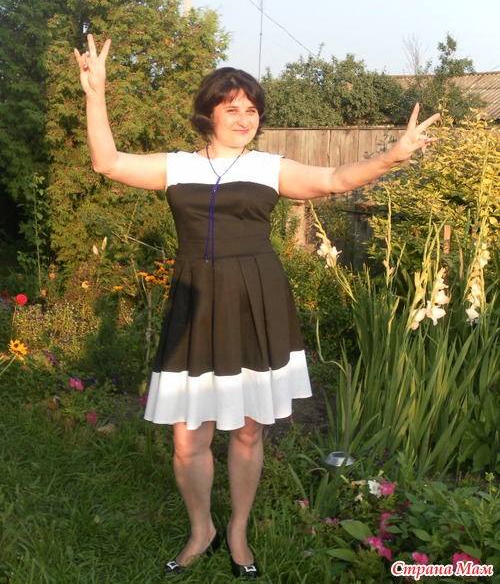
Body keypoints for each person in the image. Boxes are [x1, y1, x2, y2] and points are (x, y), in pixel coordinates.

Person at [74, 35, 439, 579]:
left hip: (254, 300)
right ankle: (202, 529)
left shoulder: (269, 167)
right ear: (209, 114)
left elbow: (333, 180)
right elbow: (107, 162)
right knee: (187, 438)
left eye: (252, 109)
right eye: (232, 108)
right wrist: (96, 93)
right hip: (195, 303)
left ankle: (238, 531)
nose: (244, 118)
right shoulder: (178, 166)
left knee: (247, 430)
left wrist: (391, 155)